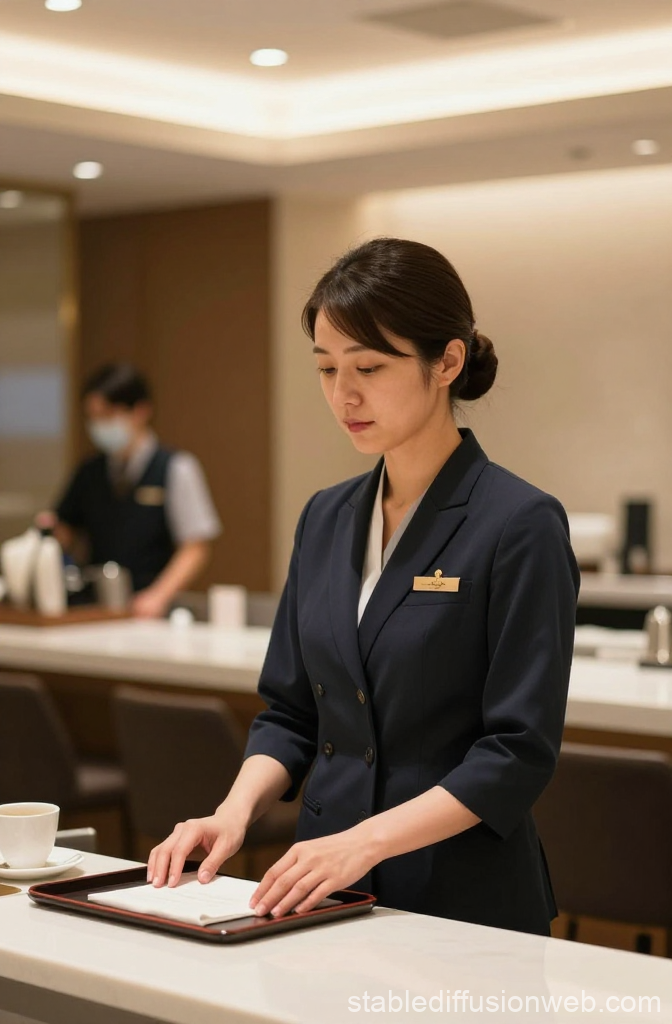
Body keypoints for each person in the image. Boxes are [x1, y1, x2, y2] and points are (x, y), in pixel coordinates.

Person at [148, 238, 579, 935]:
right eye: (325, 369)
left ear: (447, 362)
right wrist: (232, 813)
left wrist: (365, 842)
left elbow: (517, 752)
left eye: (370, 368)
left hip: (460, 897)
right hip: (318, 889)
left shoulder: (519, 523)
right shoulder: (326, 515)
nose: (343, 395)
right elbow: (290, 713)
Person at [50, 363, 221, 618]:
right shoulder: (90, 471)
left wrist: (158, 596)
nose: (100, 426)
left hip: (151, 608)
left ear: (140, 411)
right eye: (93, 417)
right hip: (95, 609)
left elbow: (195, 547)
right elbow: (62, 528)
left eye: (108, 415)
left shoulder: (175, 468)